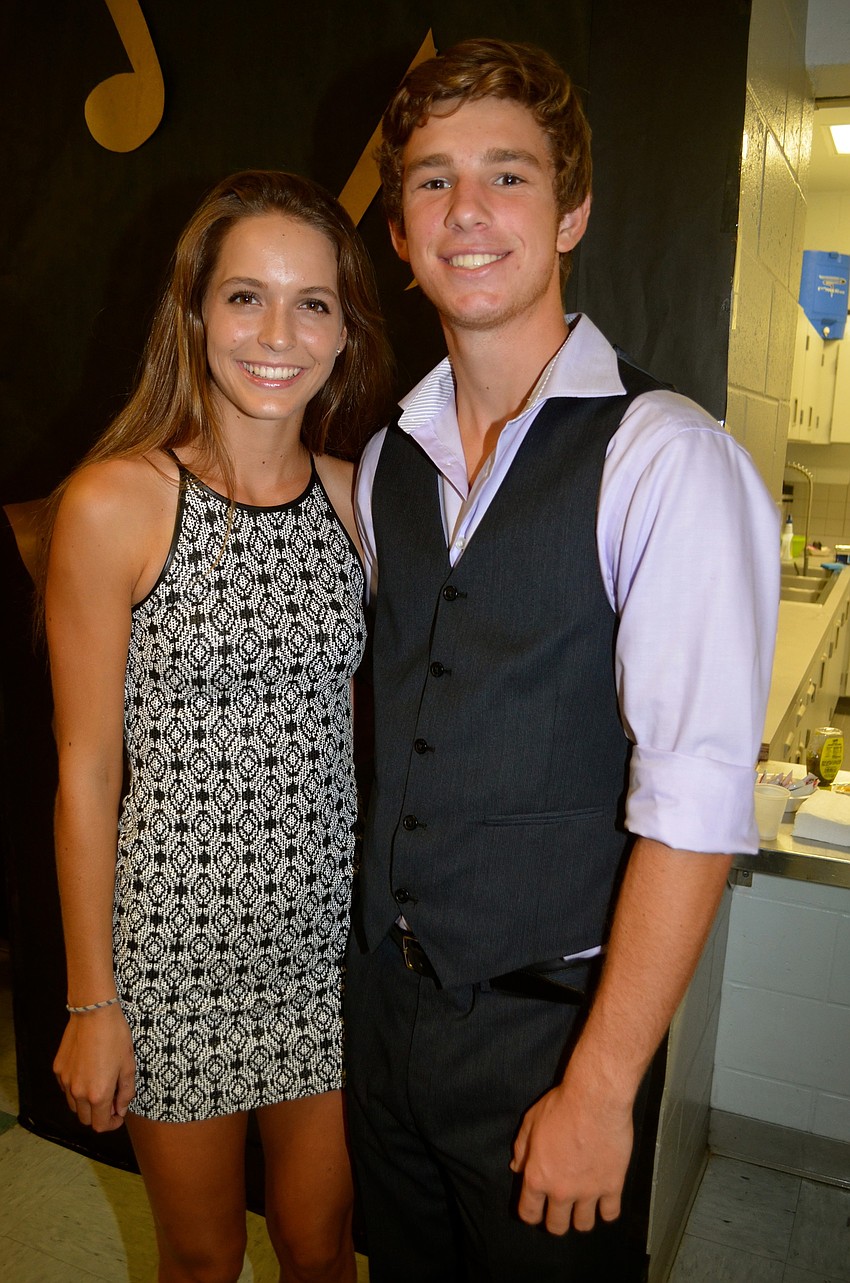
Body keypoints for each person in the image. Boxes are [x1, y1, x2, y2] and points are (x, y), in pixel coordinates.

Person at [344, 37, 779, 1282]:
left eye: (508, 177)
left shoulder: (665, 455)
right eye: (430, 180)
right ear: (395, 227)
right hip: (388, 1018)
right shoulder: (391, 459)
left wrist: (599, 1086)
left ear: (572, 209)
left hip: (551, 1037)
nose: (466, 212)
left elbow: (694, 803)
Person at [44, 169, 394, 1283]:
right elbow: (87, 771)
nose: (277, 333)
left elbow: (343, 736)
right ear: (195, 312)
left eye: (313, 302)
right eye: (246, 297)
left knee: (323, 1248)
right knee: (199, 1258)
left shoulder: (359, 501)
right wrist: (92, 1000)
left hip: (323, 956)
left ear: (346, 332)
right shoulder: (116, 502)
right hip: (173, 961)